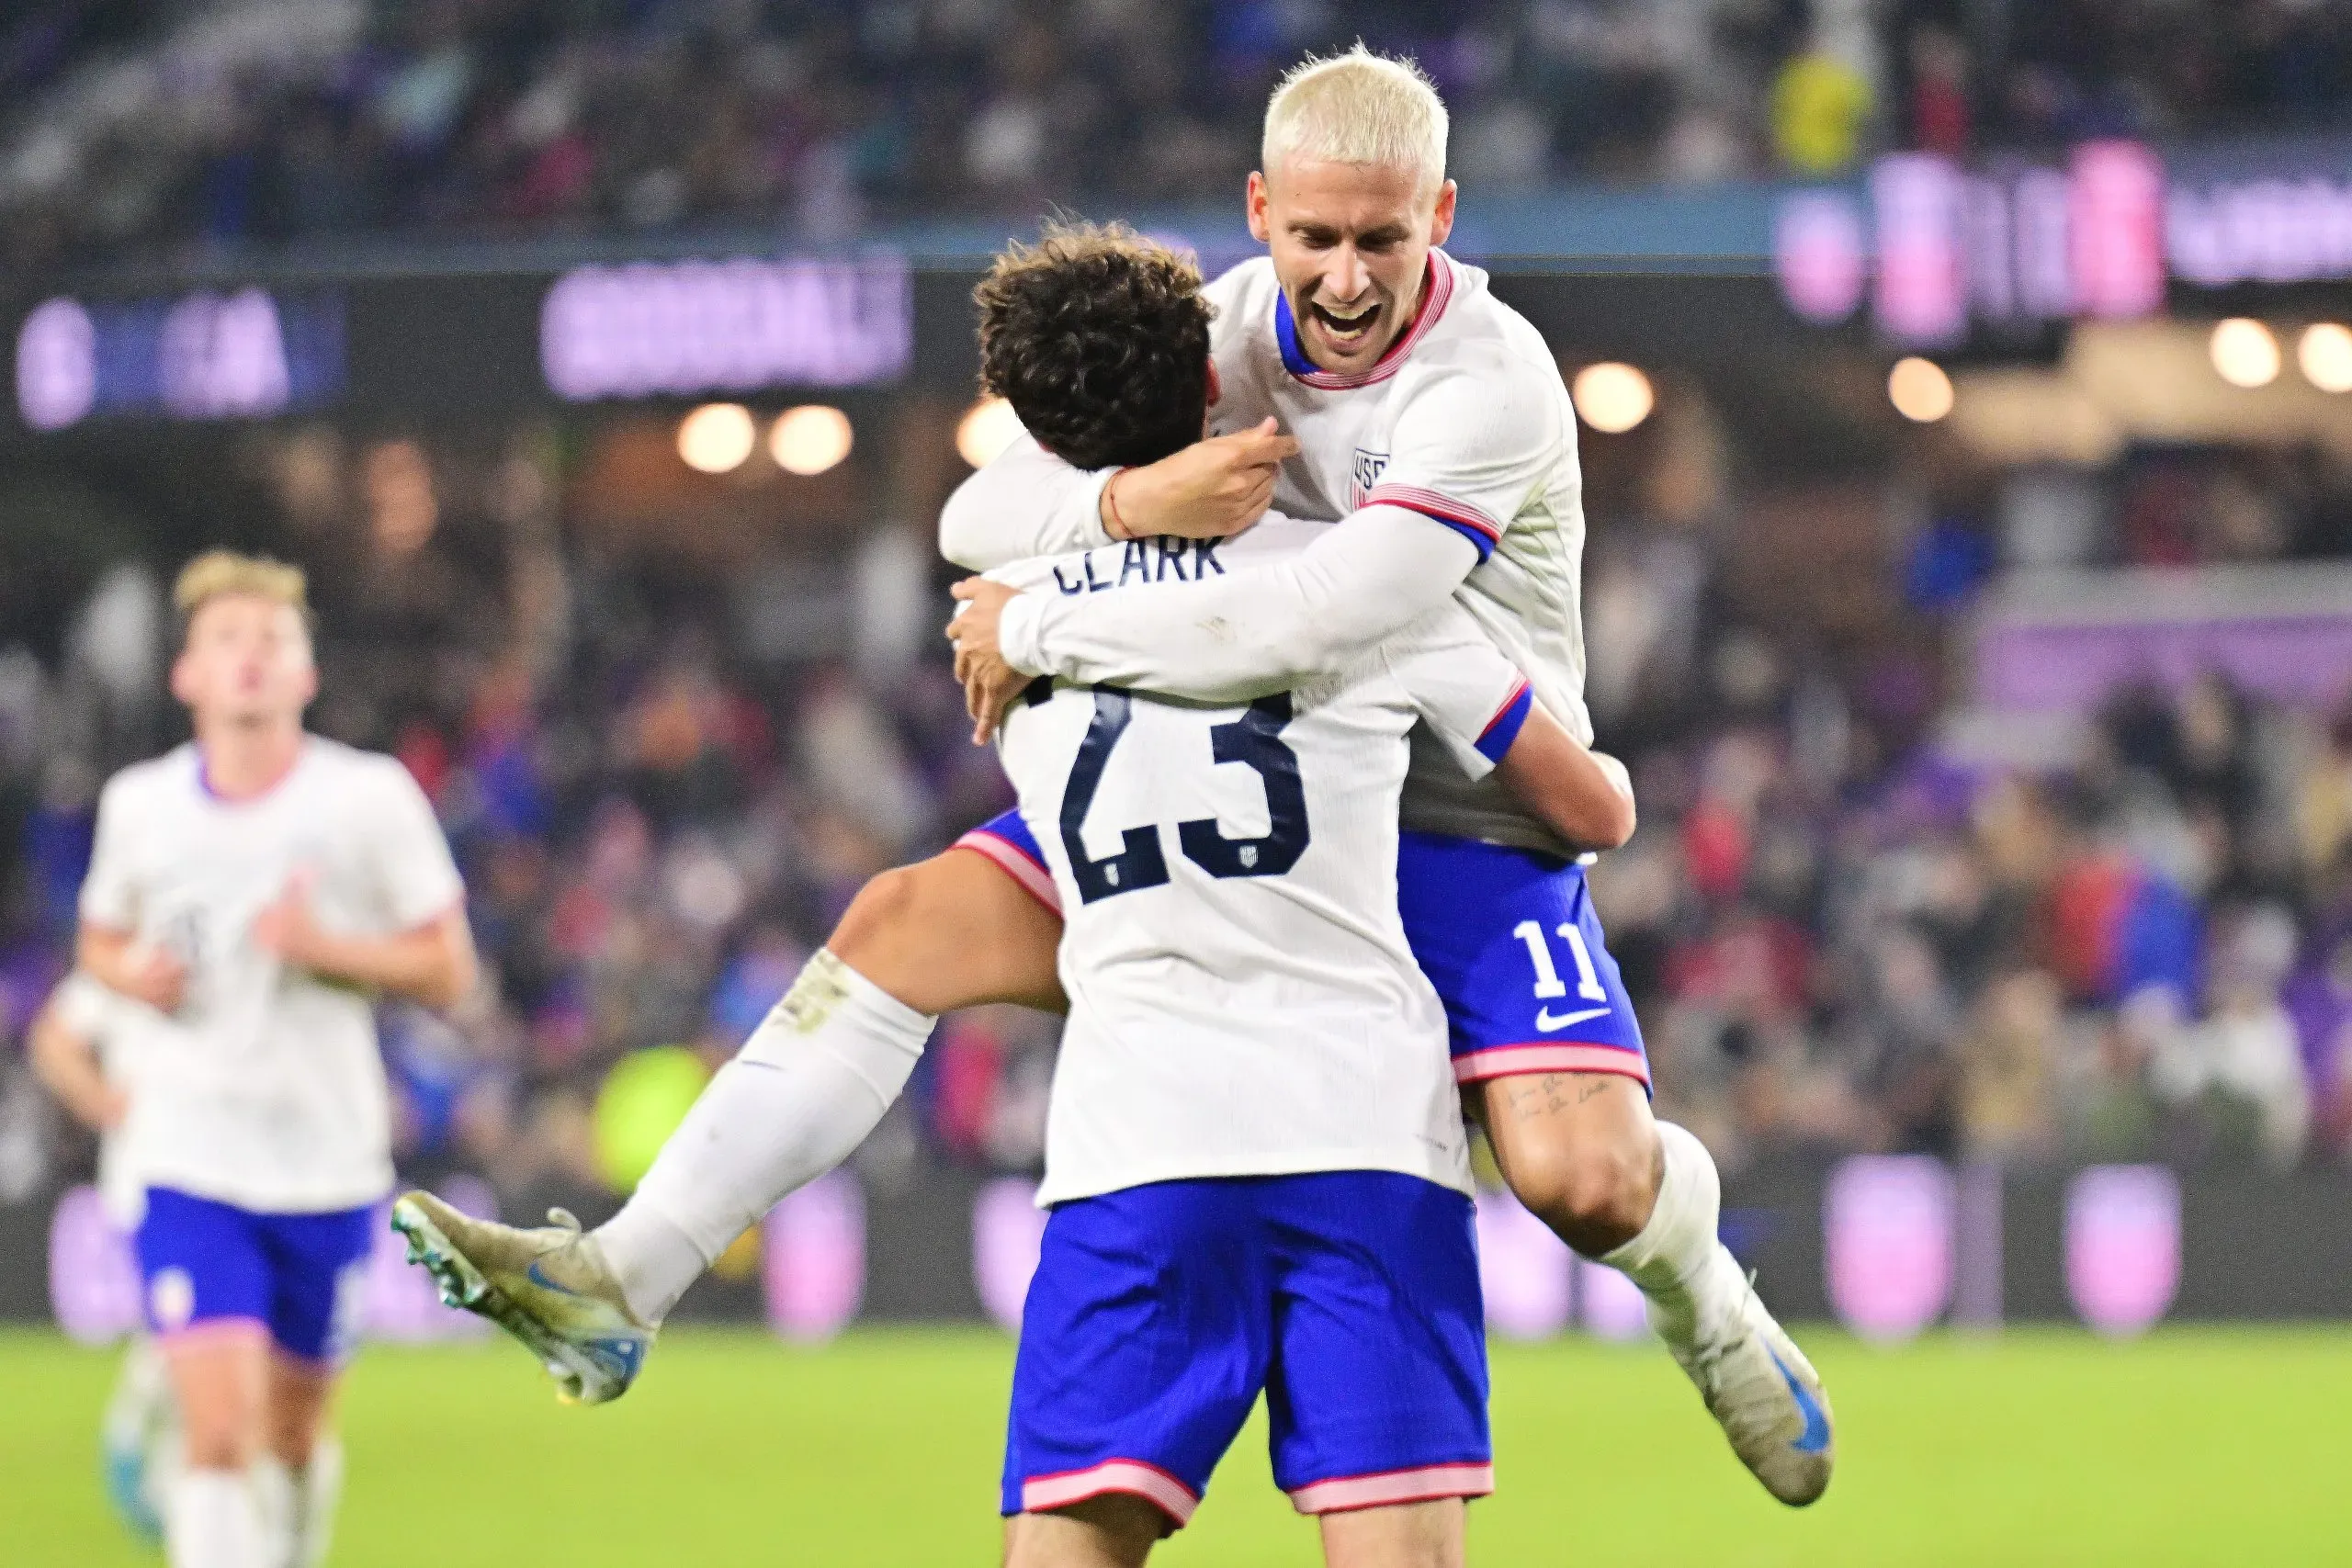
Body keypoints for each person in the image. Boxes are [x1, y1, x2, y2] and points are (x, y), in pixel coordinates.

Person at [396, 49, 1830, 1509]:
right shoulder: (1224, 326)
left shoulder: (1492, 383)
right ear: (1260, 210)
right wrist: (1124, 501)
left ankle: (1705, 1293)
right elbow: (981, 503)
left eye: (1381, 241)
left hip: (1461, 807)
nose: (1341, 279)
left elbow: (1329, 609)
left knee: (1582, 1179)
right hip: (1247, 776)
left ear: (1442, 216)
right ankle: (621, 1278)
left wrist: (1038, 618)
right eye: (1314, 238)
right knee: (900, 920)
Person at [76, 552, 477, 1568]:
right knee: (215, 1432)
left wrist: (321, 950)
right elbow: (96, 941)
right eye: (227, 640)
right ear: (187, 676)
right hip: (187, 1148)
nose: (250, 658)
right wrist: (136, 978)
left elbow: (447, 968)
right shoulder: (140, 806)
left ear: (307, 674)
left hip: (324, 1155)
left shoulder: (368, 798)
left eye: (272, 641)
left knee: (293, 1436)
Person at [29, 971, 182, 1551]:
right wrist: (102, 1103)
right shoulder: (128, 959)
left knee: (193, 1329)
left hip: (220, 1183)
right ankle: (132, 1447)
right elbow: (53, 1039)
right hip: (152, 1184)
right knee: (188, 1327)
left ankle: (160, 1457)